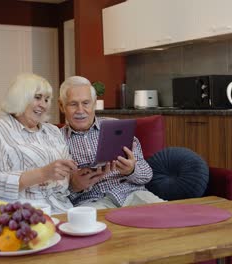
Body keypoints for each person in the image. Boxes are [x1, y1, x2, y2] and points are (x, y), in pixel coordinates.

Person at [0, 73, 78, 214]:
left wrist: (77, 177)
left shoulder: (53, 131)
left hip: (60, 207)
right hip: (17, 210)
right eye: (37, 97)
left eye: (47, 99)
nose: (43, 105)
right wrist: (42, 174)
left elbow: (65, 178)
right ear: (20, 97)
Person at [58, 76, 164, 209]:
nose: (80, 110)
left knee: (169, 217)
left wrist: (131, 170)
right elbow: (53, 194)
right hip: (91, 203)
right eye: (73, 104)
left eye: (86, 103)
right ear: (61, 106)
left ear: (94, 103)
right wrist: (74, 186)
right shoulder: (55, 140)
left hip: (132, 195)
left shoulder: (117, 127)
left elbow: (147, 175)